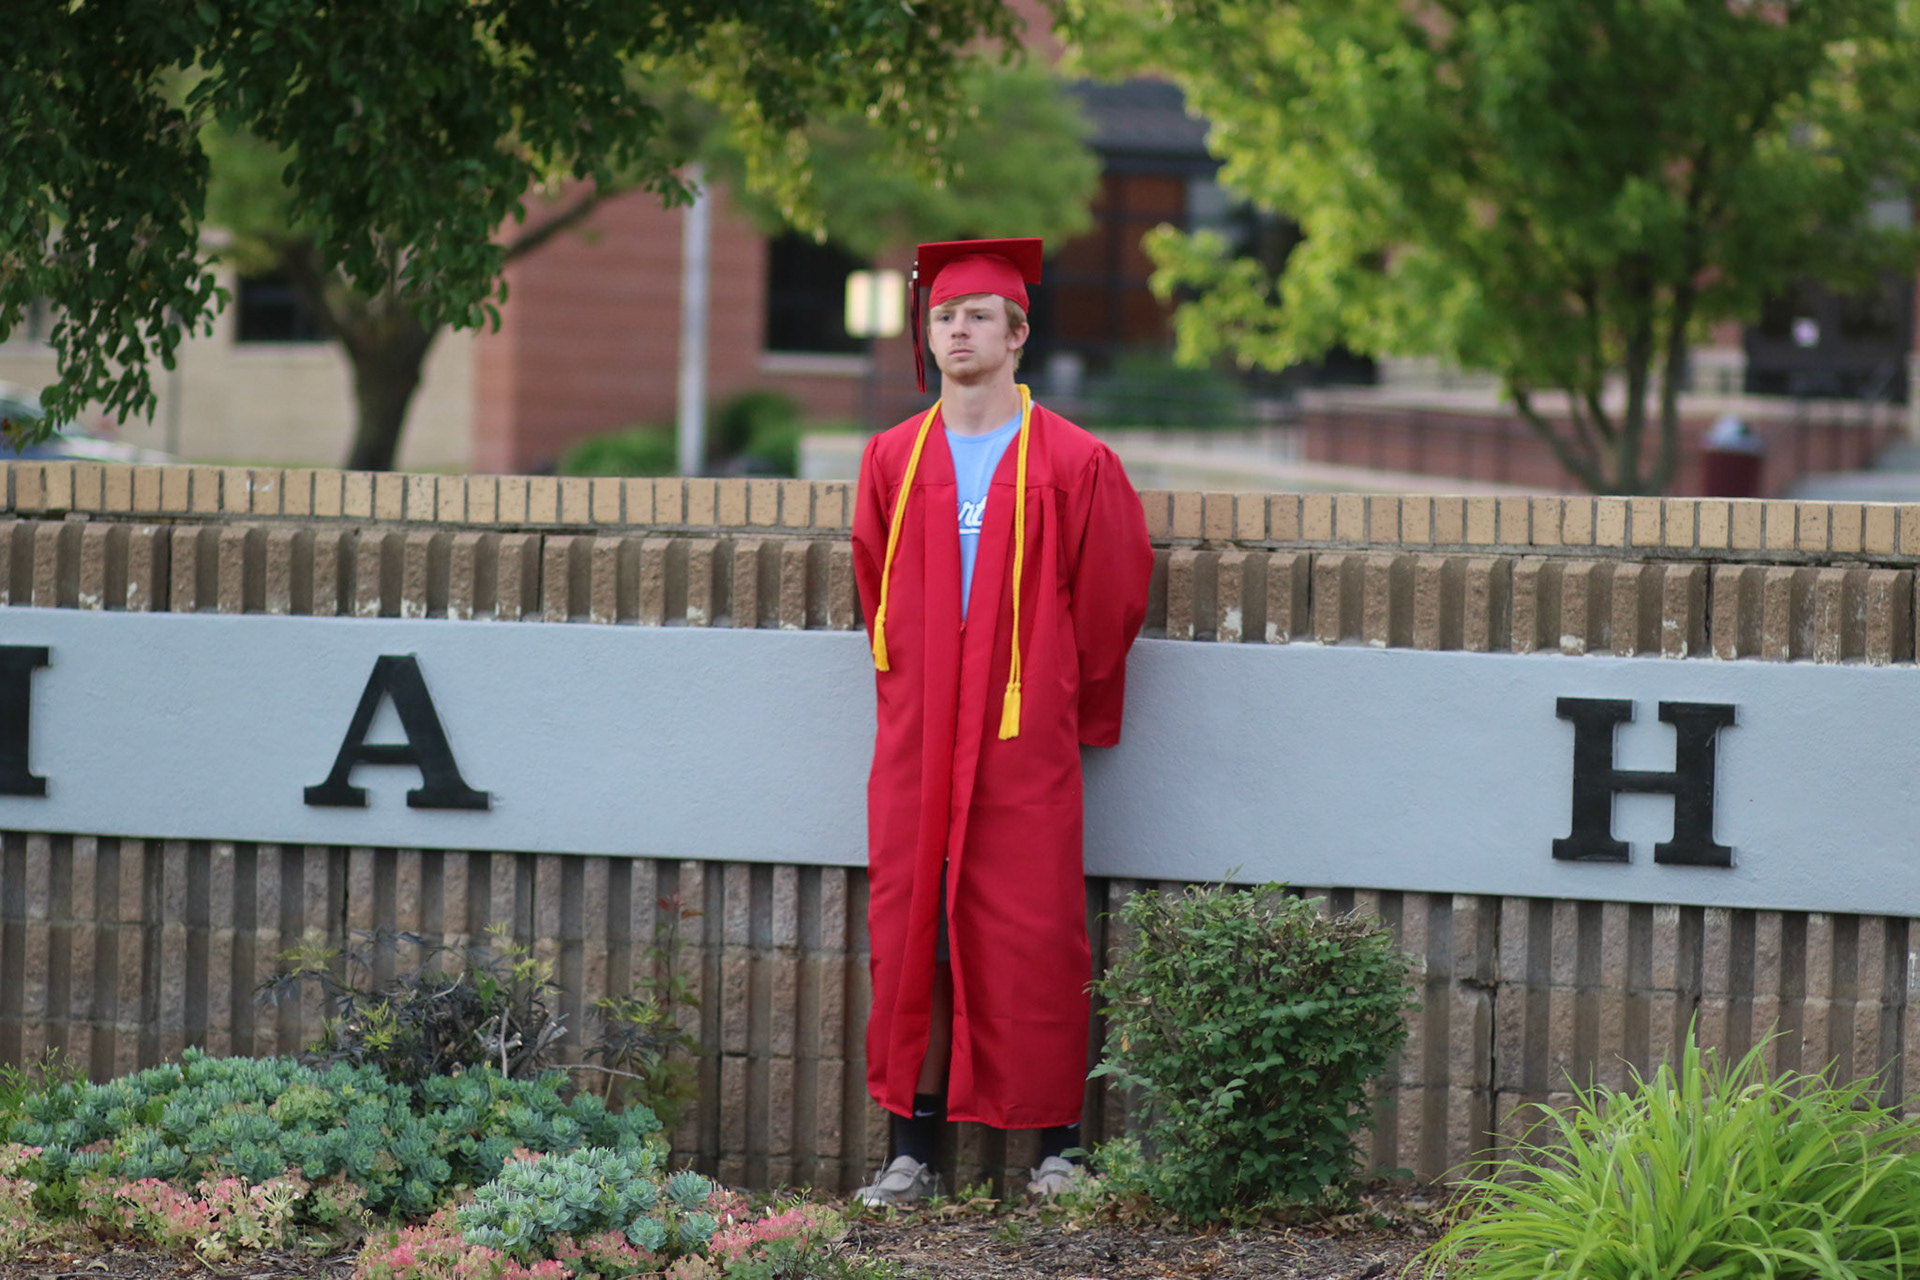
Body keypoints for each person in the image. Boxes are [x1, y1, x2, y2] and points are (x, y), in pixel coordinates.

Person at [850, 238, 1153, 1206]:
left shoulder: (1075, 460)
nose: (959, 329)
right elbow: (876, 595)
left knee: (1034, 930)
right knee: (913, 933)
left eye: (979, 315)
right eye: (944, 315)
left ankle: (1056, 1148)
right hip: (921, 738)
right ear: (926, 331)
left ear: (1019, 333)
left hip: (1023, 737)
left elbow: (1109, 602)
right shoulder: (892, 458)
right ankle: (912, 1150)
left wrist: (1067, 702)